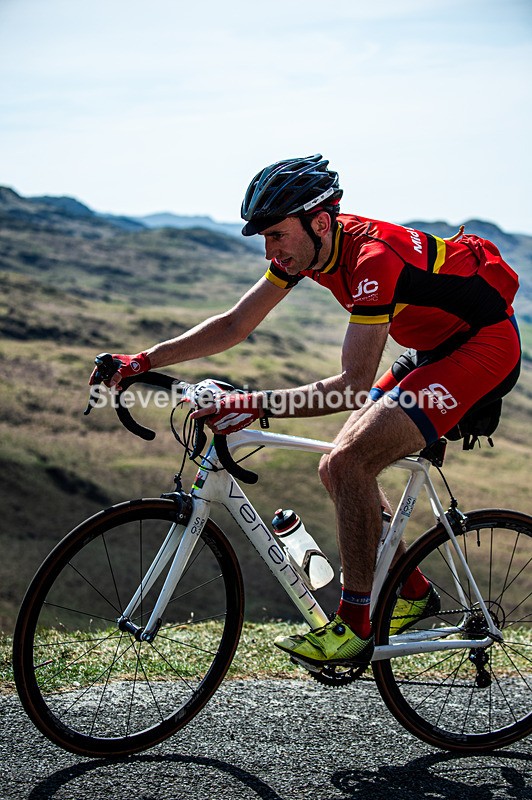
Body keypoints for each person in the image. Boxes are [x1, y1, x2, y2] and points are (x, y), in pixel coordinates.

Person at [91, 154, 521, 667]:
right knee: (335, 467)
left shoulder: (372, 260)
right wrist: (141, 361)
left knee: (348, 462)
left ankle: (355, 625)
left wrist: (252, 405)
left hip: (483, 346)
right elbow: (234, 325)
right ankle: (411, 591)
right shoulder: (310, 251)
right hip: (430, 351)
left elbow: (349, 386)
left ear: (319, 222)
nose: (271, 250)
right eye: (265, 239)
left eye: (276, 235)